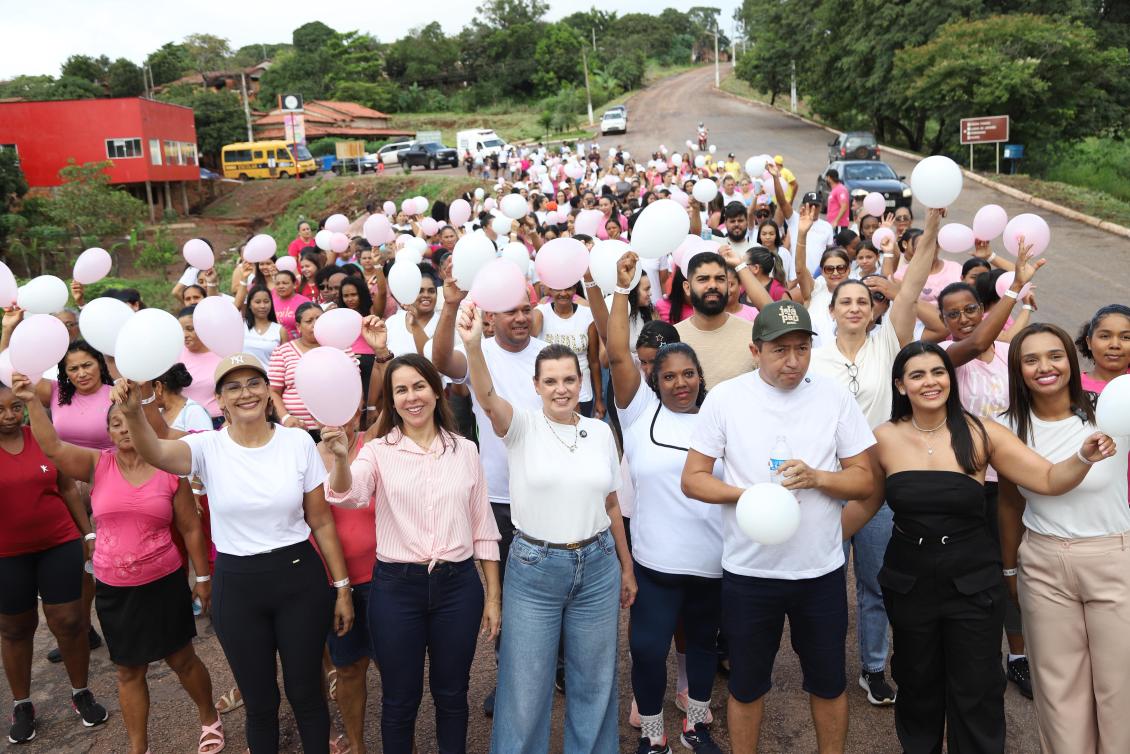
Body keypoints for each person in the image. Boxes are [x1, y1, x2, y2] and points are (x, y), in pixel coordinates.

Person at [841, 341, 1115, 754]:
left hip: (971, 581)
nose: (930, 382)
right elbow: (865, 503)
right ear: (900, 385)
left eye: (938, 372)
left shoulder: (982, 431)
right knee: (917, 682)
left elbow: (1048, 479)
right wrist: (819, 542)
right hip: (909, 580)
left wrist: (1083, 455)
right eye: (917, 375)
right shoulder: (882, 438)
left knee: (977, 687)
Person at [117, 353, 354, 754]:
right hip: (238, 587)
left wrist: (343, 587)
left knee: (306, 694)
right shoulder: (206, 446)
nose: (245, 392)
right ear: (220, 401)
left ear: (267, 391)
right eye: (233, 386)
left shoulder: (297, 441)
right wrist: (134, 410)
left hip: (299, 578)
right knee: (260, 702)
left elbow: (322, 521)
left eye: (253, 383)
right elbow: (156, 453)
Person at [681, 300, 877, 754]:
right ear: (755, 350)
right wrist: (750, 496)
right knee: (747, 686)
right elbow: (693, 479)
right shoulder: (727, 398)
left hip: (820, 572)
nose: (793, 361)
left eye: (802, 348)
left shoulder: (833, 397)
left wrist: (818, 477)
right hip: (750, 573)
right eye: (779, 350)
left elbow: (864, 480)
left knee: (828, 683)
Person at [456, 303, 634, 754]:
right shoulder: (521, 427)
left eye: (569, 379)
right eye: (550, 381)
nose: (561, 389)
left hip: (597, 565)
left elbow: (611, 504)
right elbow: (487, 396)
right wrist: (474, 346)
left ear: (582, 382)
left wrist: (626, 568)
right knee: (525, 685)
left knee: (595, 681)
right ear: (536, 386)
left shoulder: (599, 432)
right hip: (535, 568)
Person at [14, 373, 221, 754]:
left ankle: (209, 717)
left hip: (163, 581)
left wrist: (203, 577)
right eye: (115, 423)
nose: (124, 429)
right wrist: (30, 401)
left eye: (130, 421)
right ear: (107, 431)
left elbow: (191, 527)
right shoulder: (98, 465)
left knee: (181, 659)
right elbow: (53, 448)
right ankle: (137, 748)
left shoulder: (167, 468)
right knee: (128, 669)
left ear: (142, 425)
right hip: (114, 586)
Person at [323, 350, 502, 754]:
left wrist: (492, 596)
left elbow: (483, 528)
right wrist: (339, 458)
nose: (412, 397)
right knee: (400, 700)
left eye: (419, 386)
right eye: (400, 390)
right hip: (397, 588)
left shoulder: (465, 449)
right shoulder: (377, 450)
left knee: (453, 695)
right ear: (392, 400)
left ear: (437, 392)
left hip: (457, 587)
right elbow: (347, 495)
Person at [809, 207, 941, 708]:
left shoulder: (889, 340)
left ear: (874, 308)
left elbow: (912, 286)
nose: (857, 307)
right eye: (847, 300)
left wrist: (928, 231)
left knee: (876, 581)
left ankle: (872, 666)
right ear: (833, 307)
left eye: (865, 300)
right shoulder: (815, 353)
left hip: (879, 481)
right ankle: (825, 667)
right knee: (823, 579)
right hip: (827, 480)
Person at [607, 253, 725, 754]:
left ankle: (695, 728)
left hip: (711, 562)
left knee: (701, 648)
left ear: (701, 376)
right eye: (670, 375)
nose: (680, 383)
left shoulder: (720, 418)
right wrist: (619, 289)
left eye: (688, 374)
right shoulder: (638, 414)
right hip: (655, 563)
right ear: (655, 379)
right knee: (648, 649)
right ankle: (653, 736)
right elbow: (616, 355)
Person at [996, 323, 1130, 753]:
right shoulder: (1005, 427)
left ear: (1071, 360)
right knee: (1059, 694)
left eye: (1054, 355)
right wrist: (1011, 569)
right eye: (1030, 359)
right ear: (1017, 369)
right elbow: (1009, 504)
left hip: (1113, 555)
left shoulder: (1109, 410)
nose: (1045, 367)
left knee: (1120, 691)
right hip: (1043, 561)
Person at [429, 280, 547, 716]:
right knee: (505, 595)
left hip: (549, 493)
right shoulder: (479, 352)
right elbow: (441, 361)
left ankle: (559, 666)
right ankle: (510, 677)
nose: (519, 318)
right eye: (509, 311)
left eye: (525, 309)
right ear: (491, 316)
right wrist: (451, 305)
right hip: (498, 497)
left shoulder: (549, 354)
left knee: (555, 585)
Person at [936, 239, 1043, 696]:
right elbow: (977, 340)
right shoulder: (942, 356)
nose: (963, 319)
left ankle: (1017, 655)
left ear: (983, 308)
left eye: (970, 309)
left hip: (1012, 482)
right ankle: (969, 656)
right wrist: (1016, 287)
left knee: (1010, 568)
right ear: (943, 321)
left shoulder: (1008, 355)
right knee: (966, 572)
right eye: (953, 313)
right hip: (967, 480)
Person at [0, 383, 108, 743]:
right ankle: (23, 704)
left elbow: (65, 488)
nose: (10, 416)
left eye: (16, 408)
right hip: (6, 553)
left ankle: (81, 693)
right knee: (16, 629)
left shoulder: (42, 438)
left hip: (58, 542)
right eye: (1, 410)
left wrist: (87, 534)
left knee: (70, 621)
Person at [673, 251, 766, 389]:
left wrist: (740, 265)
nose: (713, 285)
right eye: (703, 279)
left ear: (728, 286)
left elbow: (773, 313)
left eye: (720, 279)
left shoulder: (752, 334)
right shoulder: (673, 337)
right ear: (687, 288)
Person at [533, 284, 603, 417]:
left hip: (582, 393)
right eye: (558, 288)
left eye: (568, 288)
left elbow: (594, 361)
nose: (563, 293)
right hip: (551, 392)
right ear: (550, 289)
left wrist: (599, 398)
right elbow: (528, 338)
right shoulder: (541, 312)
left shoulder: (587, 315)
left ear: (575, 290)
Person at [269, 301, 328, 433]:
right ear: (298, 326)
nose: (315, 324)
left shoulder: (339, 347)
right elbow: (273, 391)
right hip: (297, 429)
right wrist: (285, 418)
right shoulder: (283, 352)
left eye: (319, 319)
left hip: (336, 429)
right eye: (309, 321)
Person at [177, 305, 223, 425]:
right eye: (181, 330)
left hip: (217, 422)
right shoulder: (174, 354)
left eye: (190, 328)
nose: (185, 334)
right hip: (183, 423)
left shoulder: (221, 354)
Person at [1076, 303, 1130, 392]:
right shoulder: (1073, 388)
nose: (1115, 345)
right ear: (1089, 342)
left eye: (1126, 337)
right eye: (1105, 336)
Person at [242, 284, 288, 369]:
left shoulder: (280, 330)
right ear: (249, 304)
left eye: (266, 301)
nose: (262, 306)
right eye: (257, 302)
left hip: (270, 380)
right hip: (245, 378)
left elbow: (285, 362)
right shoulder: (241, 327)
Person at [271, 269, 311, 340]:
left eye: (285, 283)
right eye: (277, 284)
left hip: (297, 344)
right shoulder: (271, 302)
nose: (281, 286)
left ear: (295, 284)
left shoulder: (304, 302)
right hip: (275, 343)